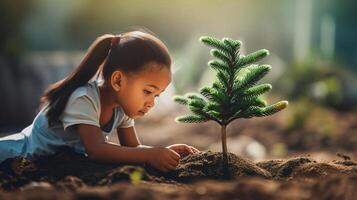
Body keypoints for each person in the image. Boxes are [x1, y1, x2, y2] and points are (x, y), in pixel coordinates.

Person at [0, 30, 199, 172]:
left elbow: (132, 150)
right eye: (147, 91)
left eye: (156, 95)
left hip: (44, 165)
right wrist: (150, 155)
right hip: (15, 155)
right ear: (118, 80)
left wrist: (161, 152)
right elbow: (96, 150)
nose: (151, 102)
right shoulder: (84, 99)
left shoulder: (121, 109)